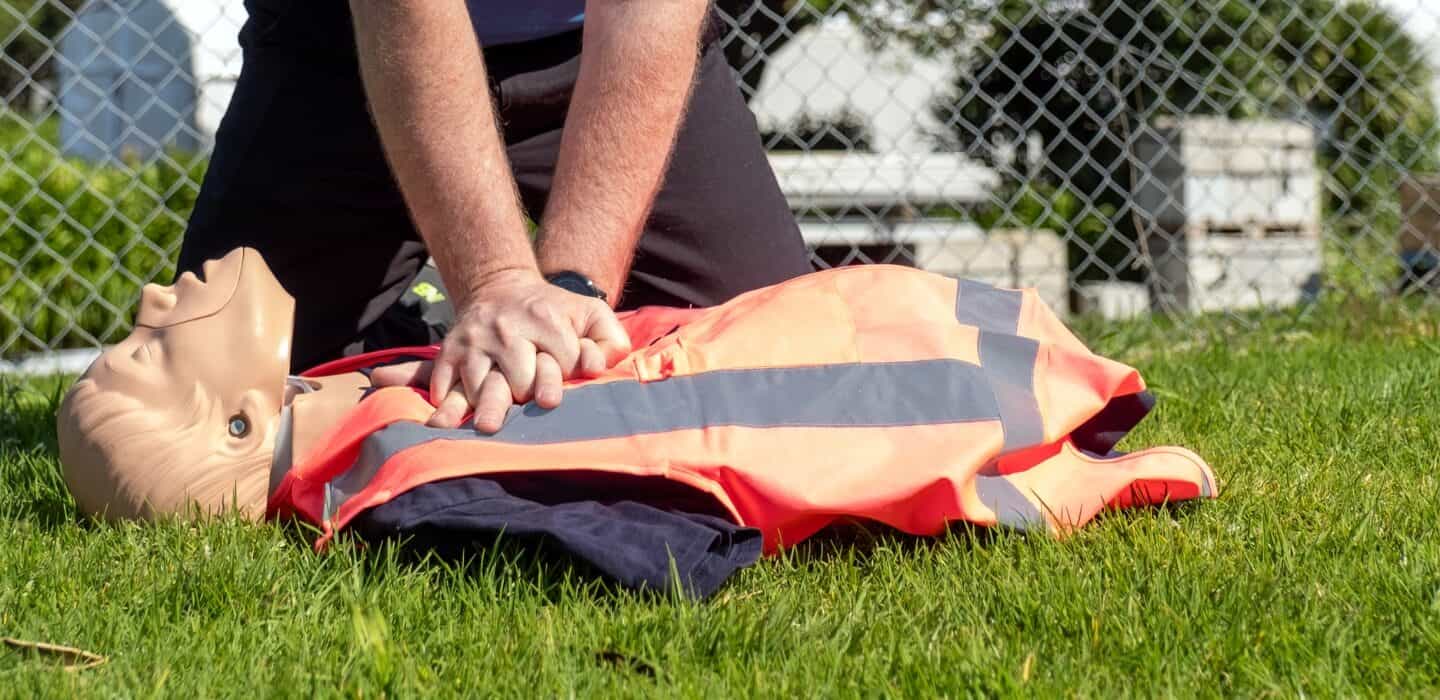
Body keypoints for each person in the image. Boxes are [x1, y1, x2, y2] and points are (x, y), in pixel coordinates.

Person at [57, 247, 1218, 559]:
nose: (159, 295)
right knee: (905, 389)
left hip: (746, 340)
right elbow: (636, 537)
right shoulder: (401, 476)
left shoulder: (349, 426)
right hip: (796, 384)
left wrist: (538, 285)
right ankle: (1082, 462)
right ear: (238, 427)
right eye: (150, 353)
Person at [174, 0, 816, 435]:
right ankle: (422, 332)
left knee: (781, 379)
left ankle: (472, 341)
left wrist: (573, 293)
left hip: (597, 46)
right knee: (205, 398)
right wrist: (494, 283)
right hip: (347, 48)